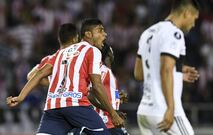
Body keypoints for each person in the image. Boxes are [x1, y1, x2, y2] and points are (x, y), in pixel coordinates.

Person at [6, 18, 123, 135]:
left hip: (53, 107)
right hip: (76, 105)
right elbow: (97, 86)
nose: (105, 34)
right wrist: (113, 114)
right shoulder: (92, 51)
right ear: (88, 34)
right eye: (100, 30)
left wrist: (21, 97)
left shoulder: (61, 52)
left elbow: (39, 73)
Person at [134, 0, 200, 135]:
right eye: (194, 18)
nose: (193, 24)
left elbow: (139, 74)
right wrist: (170, 108)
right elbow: (166, 70)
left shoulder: (148, 32)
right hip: (163, 110)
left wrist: (179, 73)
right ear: (186, 13)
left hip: (144, 112)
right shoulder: (175, 33)